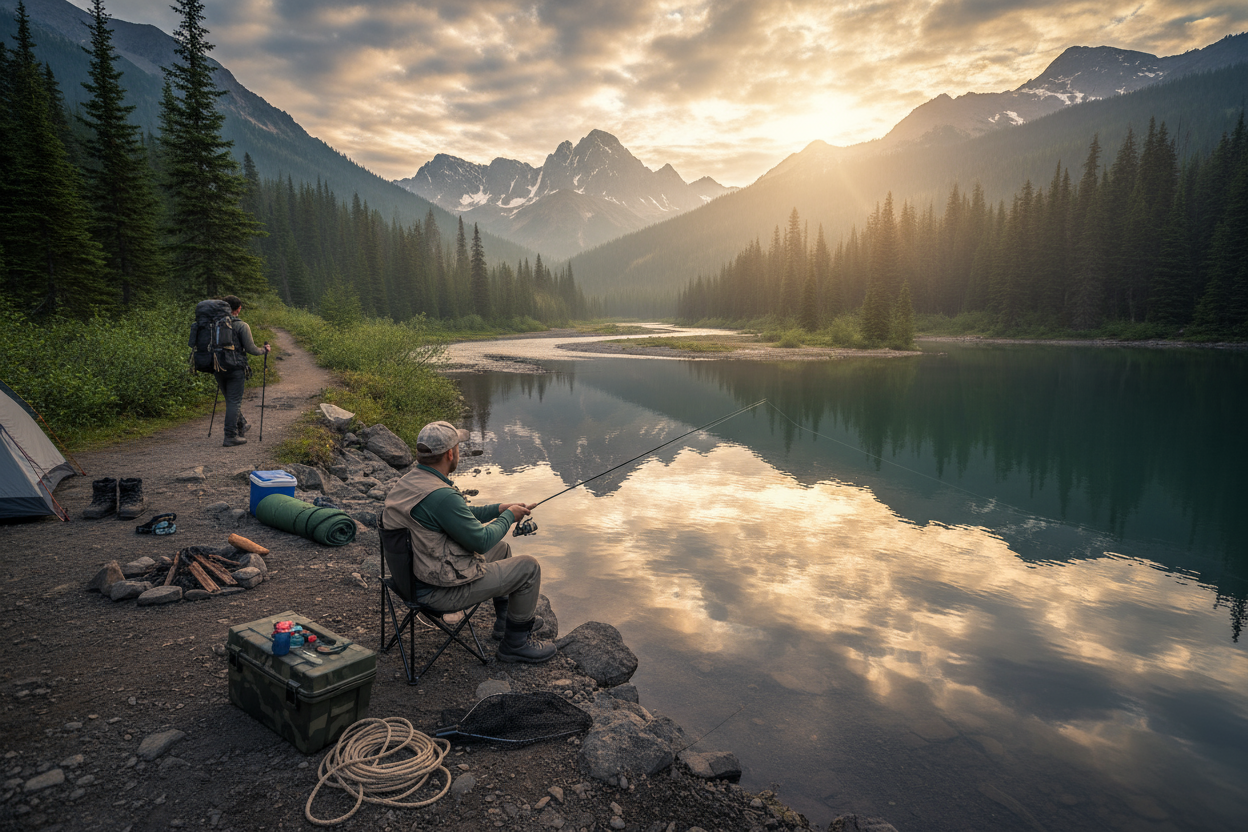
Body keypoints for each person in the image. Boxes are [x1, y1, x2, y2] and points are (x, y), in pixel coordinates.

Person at [381, 420, 556, 663]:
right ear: (450, 453)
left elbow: (457, 515)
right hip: (436, 592)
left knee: (502, 548)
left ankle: (504, 624)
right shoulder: (441, 495)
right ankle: (516, 645)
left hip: (409, 580)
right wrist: (509, 516)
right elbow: (481, 541)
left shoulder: (412, 482)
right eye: (458, 448)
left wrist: (497, 509)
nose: (459, 453)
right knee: (529, 567)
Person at [217, 295, 271, 447]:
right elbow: (251, 349)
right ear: (238, 309)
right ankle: (230, 436)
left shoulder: (214, 323)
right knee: (234, 401)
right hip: (235, 367)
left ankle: (241, 424)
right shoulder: (241, 326)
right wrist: (264, 350)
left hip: (216, 366)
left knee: (230, 399)